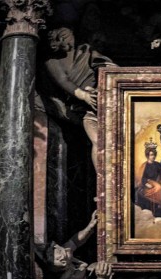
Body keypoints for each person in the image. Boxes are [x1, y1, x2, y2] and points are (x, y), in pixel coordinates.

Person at [42, 27, 116, 171]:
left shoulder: (85, 50)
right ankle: (105, 183)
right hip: (83, 107)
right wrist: (85, 95)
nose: (63, 41)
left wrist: (112, 74)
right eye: (57, 40)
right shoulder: (51, 60)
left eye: (64, 36)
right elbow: (63, 81)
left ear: (73, 34)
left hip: (102, 96)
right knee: (98, 140)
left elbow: (102, 63)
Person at [41, 210, 113, 279]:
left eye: (56, 249)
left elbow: (75, 241)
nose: (65, 249)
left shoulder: (65, 253)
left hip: (90, 276)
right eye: (56, 259)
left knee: (112, 263)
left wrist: (89, 227)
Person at [135, 138, 161, 212]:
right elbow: (142, 177)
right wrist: (146, 183)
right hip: (148, 181)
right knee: (158, 187)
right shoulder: (144, 165)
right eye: (151, 155)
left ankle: (160, 200)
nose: (153, 156)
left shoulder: (157, 164)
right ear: (147, 156)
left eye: (154, 155)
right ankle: (160, 203)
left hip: (156, 180)